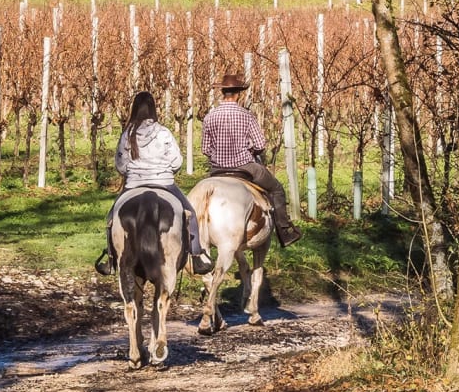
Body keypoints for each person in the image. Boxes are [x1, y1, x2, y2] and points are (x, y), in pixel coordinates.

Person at [95, 91, 214, 276]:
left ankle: (110, 259)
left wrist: (135, 171)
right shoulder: (164, 132)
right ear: (153, 109)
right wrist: (163, 170)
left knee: (111, 218)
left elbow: (121, 165)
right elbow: (176, 162)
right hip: (164, 183)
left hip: (133, 184)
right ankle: (197, 255)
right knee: (190, 216)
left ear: (134, 108)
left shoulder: (128, 134)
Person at [201, 73, 303, 247]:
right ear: (239, 94)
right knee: (277, 189)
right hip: (245, 167)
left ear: (222, 92)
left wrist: (219, 156)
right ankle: (284, 231)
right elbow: (260, 144)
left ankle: (195, 241)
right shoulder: (246, 116)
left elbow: (205, 149)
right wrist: (250, 150)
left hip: (217, 170)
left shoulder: (210, 117)